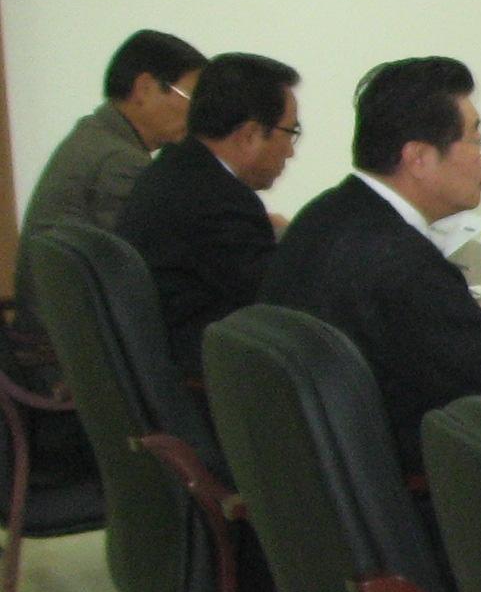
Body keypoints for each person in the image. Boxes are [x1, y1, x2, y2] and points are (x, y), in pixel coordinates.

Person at [259, 57, 481, 470]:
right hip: (396, 476)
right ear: (418, 157)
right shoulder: (402, 264)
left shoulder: (327, 212)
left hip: (308, 466)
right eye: (476, 140)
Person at [14, 29, 205, 363]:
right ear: (144, 89)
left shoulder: (94, 135)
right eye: (192, 97)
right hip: (69, 358)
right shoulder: (120, 161)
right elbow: (135, 274)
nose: (198, 113)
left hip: (51, 343)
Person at [114, 51, 301, 380]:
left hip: (162, 359)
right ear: (249, 135)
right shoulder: (220, 200)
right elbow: (275, 299)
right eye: (290, 132)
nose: (290, 151)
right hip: (201, 375)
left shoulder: (176, 167)